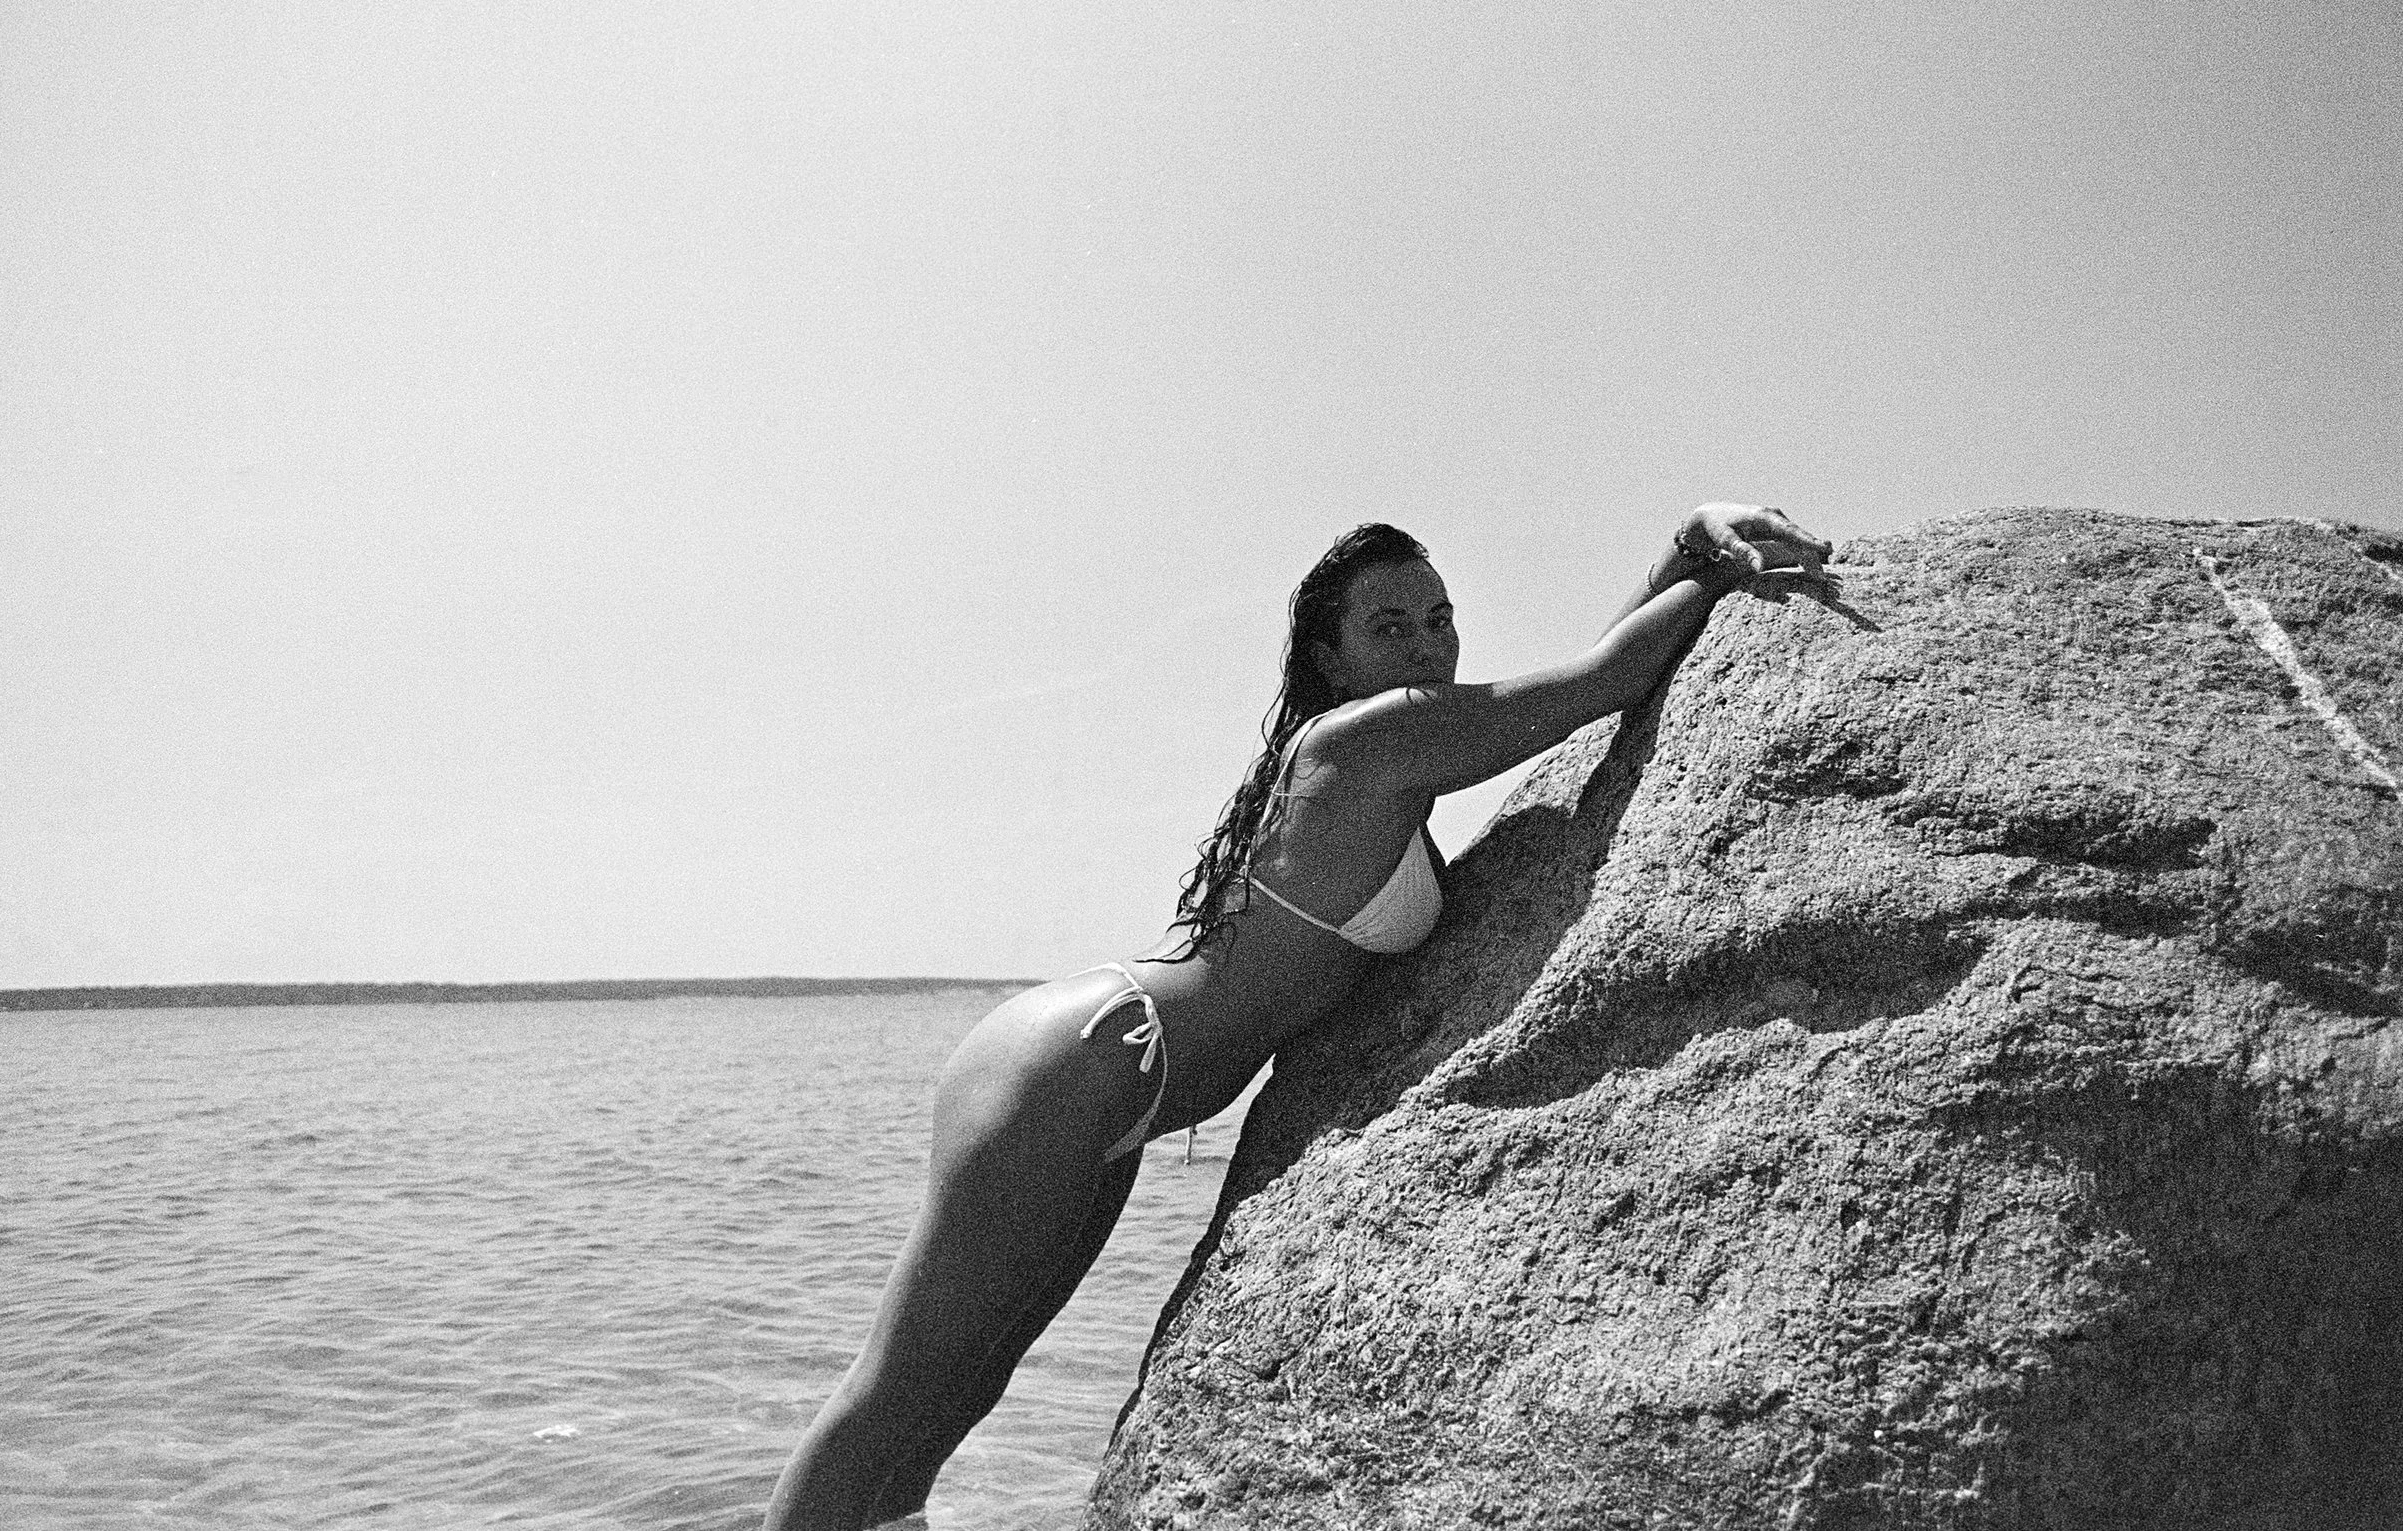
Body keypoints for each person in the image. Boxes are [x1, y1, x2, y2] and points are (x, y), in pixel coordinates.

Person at [762, 504, 1833, 1530]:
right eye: (1388, 625)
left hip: (1109, 1072)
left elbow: (1579, 679)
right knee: (894, 1386)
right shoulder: (1378, 736)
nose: (1425, 644)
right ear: (1332, 658)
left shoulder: (1392, 740)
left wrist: (1688, 546)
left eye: (1439, 617)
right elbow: (1605, 679)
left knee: (970, 1378)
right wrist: (1709, 553)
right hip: (1079, 1063)